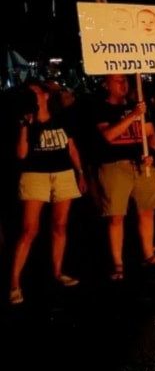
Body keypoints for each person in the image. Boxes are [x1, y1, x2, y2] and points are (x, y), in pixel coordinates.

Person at [9, 81, 88, 305]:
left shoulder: (61, 117)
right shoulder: (27, 119)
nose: (33, 97)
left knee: (60, 225)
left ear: (44, 95)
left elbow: (71, 147)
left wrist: (80, 172)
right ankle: (14, 282)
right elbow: (22, 154)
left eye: (35, 93)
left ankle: (57, 272)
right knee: (29, 229)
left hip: (62, 173)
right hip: (35, 176)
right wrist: (25, 125)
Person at [94, 74, 155, 281]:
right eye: (117, 80)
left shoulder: (138, 107)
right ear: (106, 84)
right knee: (116, 215)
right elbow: (108, 135)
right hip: (116, 166)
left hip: (141, 164)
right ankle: (118, 264)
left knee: (147, 211)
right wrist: (132, 116)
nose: (123, 84)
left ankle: (148, 254)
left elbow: (150, 133)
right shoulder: (102, 108)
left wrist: (151, 155)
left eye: (125, 80)